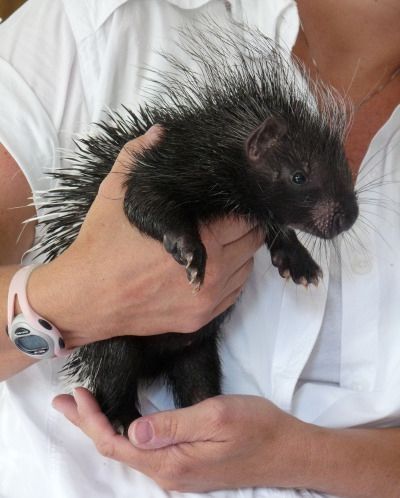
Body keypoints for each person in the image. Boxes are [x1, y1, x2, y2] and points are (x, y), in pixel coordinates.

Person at [0, 0, 399, 497]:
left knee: (199, 360)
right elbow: (152, 196)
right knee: (123, 366)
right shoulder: (92, 25)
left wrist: (289, 455)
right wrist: (74, 298)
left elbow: (264, 213)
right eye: (301, 182)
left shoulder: (263, 177)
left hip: (195, 341)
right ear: (260, 147)